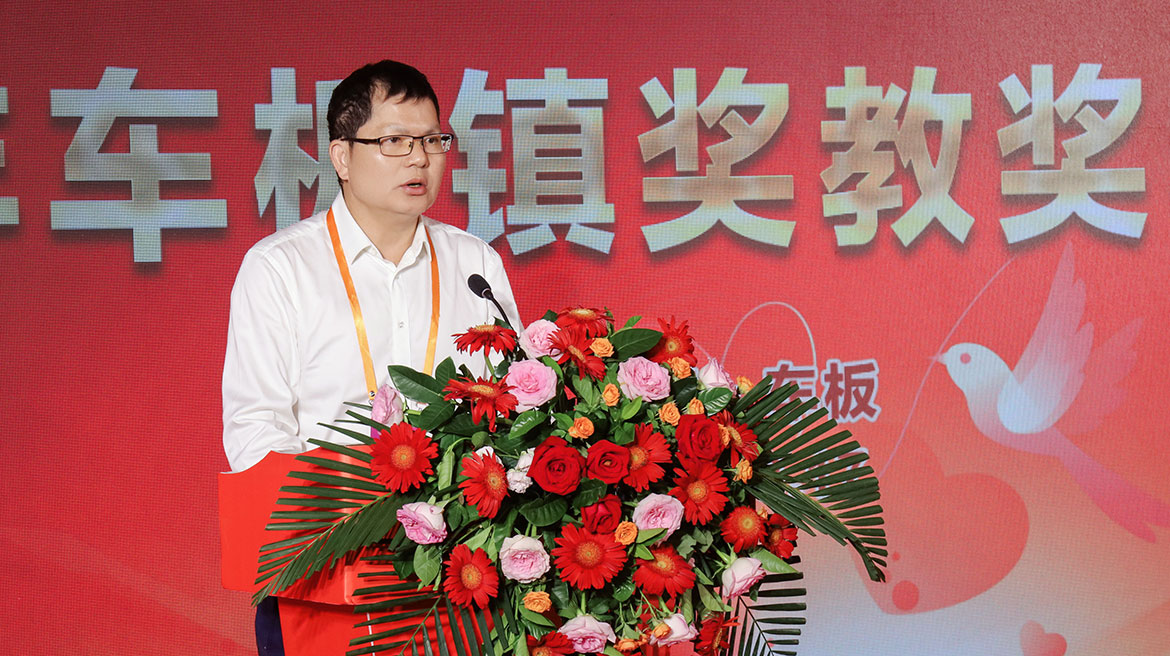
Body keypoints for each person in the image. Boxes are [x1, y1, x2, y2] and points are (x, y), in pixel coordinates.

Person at [222, 60, 522, 656]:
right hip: (324, 569)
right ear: (341, 156)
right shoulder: (280, 268)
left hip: (454, 575)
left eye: (432, 140)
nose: (419, 159)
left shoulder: (475, 264)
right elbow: (255, 429)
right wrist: (345, 516)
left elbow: (511, 403)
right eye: (394, 141)